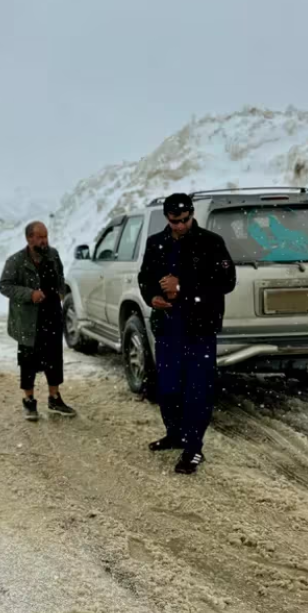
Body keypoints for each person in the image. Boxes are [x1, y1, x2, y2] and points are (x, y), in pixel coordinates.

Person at [138, 192, 236, 474]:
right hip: (168, 328)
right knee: (167, 388)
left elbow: (226, 281)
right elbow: (144, 278)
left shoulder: (210, 243)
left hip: (199, 328)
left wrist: (184, 287)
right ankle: (175, 434)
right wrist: (152, 297)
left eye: (184, 220)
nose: (179, 226)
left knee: (197, 390)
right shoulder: (156, 243)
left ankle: (194, 448)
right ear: (167, 218)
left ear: (191, 214)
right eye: (174, 221)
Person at [0, 221, 76, 420]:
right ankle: (29, 401)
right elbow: (4, 286)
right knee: (28, 360)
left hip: (52, 315)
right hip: (28, 320)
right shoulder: (16, 261)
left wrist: (60, 292)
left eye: (46, 236)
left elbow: (60, 275)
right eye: (40, 237)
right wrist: (29, 294)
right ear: (29, 238)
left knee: (54, 357)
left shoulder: (53, 254)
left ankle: (54, 397)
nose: (44, 241)